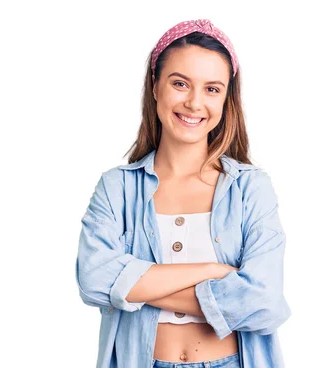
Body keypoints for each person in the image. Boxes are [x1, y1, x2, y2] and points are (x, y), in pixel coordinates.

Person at [75, 19, 291, 368]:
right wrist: (212, 270)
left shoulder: (250, 188)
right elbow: (95, 280)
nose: (194, 102)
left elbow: (263, 302)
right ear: (155, 86)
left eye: (212, 89)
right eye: (180, 83)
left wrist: (137, 288)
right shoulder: (117, 187)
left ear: (226, 99)